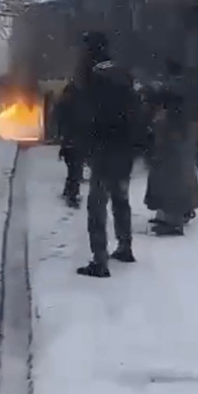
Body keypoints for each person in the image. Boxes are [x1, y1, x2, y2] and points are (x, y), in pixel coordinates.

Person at [75, 31, 143, 278]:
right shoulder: (122, 72)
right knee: (120, 197)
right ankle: (125, 246)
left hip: (103, 146)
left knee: (97, 204)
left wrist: (83, 145)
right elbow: (136, 108)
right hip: (125, 146)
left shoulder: (91, 76)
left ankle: (99, 260)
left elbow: (86, 115)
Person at [144, 59, 198, 236]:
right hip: (180, 134)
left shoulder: (175, 88)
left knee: (172, 175)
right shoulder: (186, 85)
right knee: (179, 173)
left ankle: (173, 219)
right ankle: (176, 212)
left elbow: (165, 97)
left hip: (174, 135)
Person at [54, 80, 85, 208]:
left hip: (68, 141)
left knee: (72, 168)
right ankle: (72, 195)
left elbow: (58, 121)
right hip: (77, 140)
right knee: (76, 169)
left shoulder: (63, 104)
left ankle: (69, 191)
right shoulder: (79, 106)